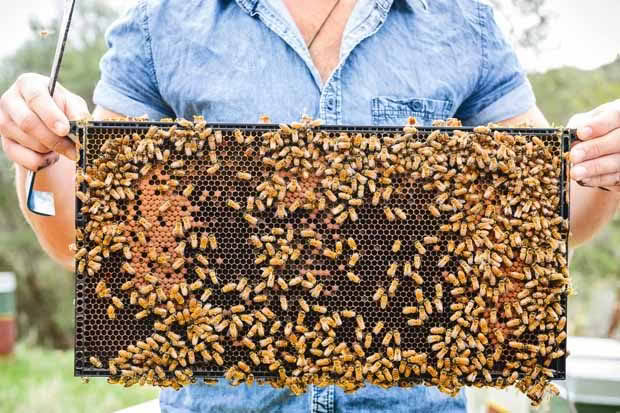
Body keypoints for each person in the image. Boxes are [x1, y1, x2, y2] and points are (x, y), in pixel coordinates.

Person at [1, 0, 619, 412]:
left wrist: (601, 169)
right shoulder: (166, 19)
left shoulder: (460, 19)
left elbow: (552, 220)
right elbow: (83, 241)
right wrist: (43, 154)